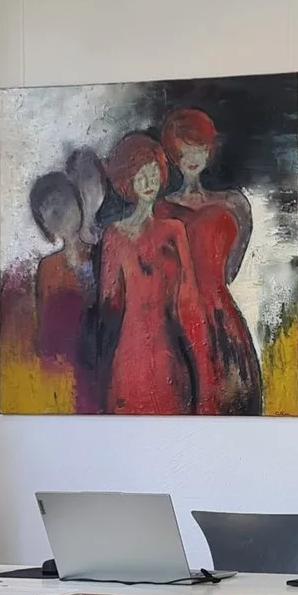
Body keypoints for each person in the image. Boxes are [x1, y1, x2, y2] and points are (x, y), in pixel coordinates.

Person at [158, 108, 263, 414]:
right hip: (178, 314)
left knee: (232, 397)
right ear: (173, 154)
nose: (192, 158)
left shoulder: (233, 204)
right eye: (184, 150)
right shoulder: (161, 210)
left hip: (220, 315)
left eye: (199, 148)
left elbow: (230, 271)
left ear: (209, 150)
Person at [96, 133, 208, 414]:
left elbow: (189, 299)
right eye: (140, 176)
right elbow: (110, 303)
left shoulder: (174, 231)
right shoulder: (113, 237)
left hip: (169, 348)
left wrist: (198, 353)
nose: (148, 182)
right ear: (128, 181)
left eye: (153, 173)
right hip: (130, 349)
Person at [26, 170, 95, 407]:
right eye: (49, 211)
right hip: (62, 375)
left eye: (63, 201)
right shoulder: (47, 268)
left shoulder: (103, 251)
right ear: (45, 225)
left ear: (78, 201)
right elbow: (44, 333)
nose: (60, 212)